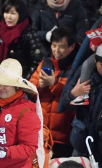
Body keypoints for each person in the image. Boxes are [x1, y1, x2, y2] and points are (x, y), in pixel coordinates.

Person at [29, 27, 78, 158]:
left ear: (72, 46)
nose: (56, 50)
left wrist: (54, 84)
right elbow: (29, 89)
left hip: (64, 136)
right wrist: (40, 85)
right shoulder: (46, 62)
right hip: (42, 132)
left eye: (61, 47)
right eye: (54, 45)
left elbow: (74, 97)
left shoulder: (77, 68)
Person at [0, 0, 42, 80]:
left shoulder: (29, 34)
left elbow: (37, 61)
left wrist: (22, 82)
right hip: (1, 80)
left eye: (13, 13)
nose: (8, 17)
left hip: (21, 82)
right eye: (6, 12)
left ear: (21, 14)